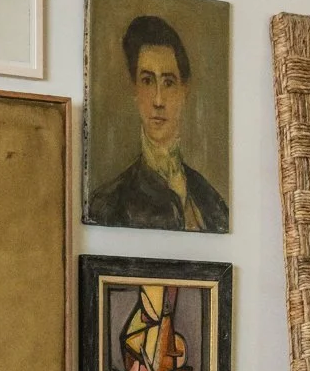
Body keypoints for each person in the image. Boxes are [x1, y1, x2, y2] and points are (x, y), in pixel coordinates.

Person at [88, 15, 229, 233]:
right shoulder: (108, 203)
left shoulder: (211, 202)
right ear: (134, 89)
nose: (158, 100)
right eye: (147, 81)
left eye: (168, 83)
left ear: (185, 90)